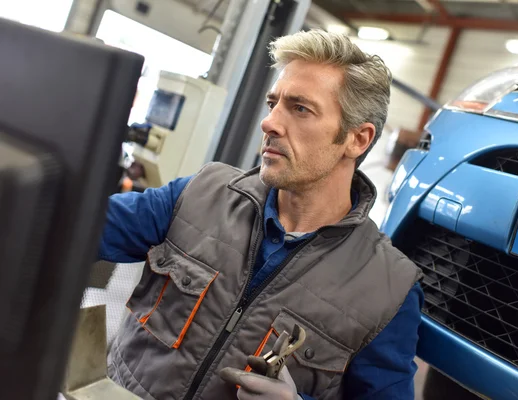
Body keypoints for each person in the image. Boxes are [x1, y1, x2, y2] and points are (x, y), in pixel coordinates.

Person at [101, 30, 423, 400]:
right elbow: (75, 225)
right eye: (274, 104)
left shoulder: (387, 288)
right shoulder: (201, 194)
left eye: (300, 108)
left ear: (358, 139)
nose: (269, 123)